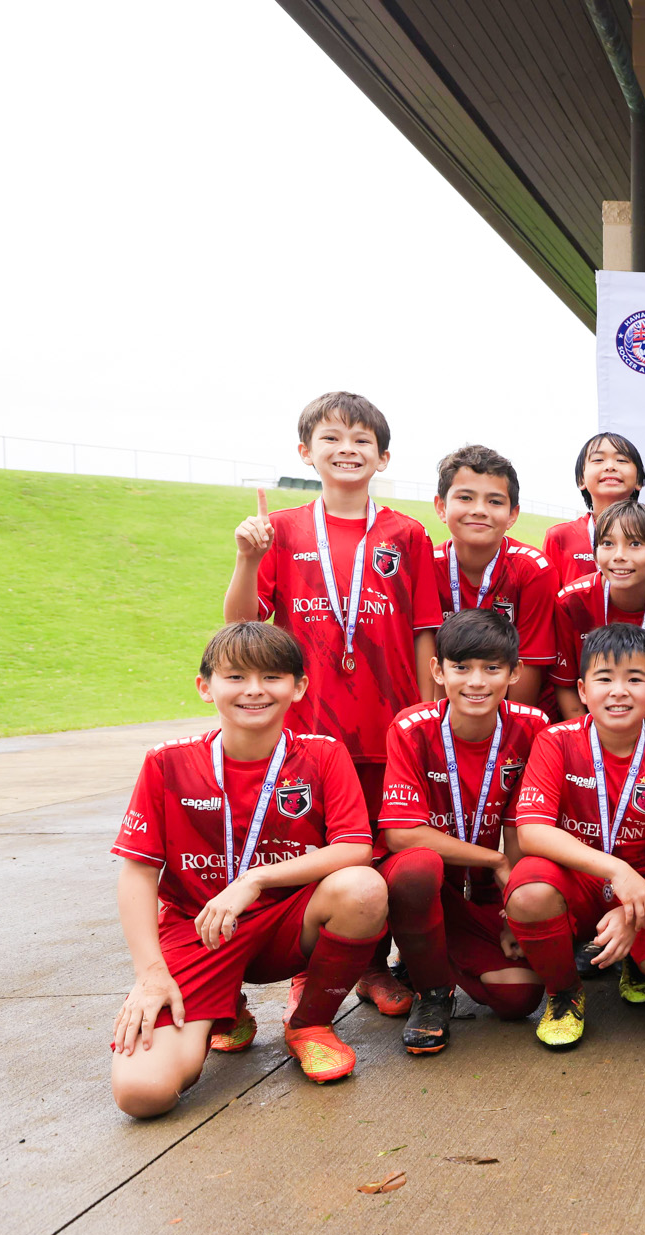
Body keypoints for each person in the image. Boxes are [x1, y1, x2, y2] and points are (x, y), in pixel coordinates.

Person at [109, 623, 388, 1113]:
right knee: (142, 1094)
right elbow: (136, 871)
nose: (254, 690)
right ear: (205, 687)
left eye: (272, 676)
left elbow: (355, 848)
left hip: (286, 925)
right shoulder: (167, 763)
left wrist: (254, 879)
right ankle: (227, 1010)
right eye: (235, 676)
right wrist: (150, 973)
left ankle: (310, 1022)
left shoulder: (323, 754)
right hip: (200, 932)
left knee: (362, 889)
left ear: (298, 686)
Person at [226, 390, 435, 1018]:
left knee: (388, 850)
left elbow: (424, 629)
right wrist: (247, 558)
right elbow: (241, 629)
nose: (347, 450)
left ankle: (374, 966)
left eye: (361, 440)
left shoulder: (407, 533)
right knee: (315, 846)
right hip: (310, 732)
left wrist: (424, 719)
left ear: (383, 456)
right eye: (332, 438)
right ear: (305, 451)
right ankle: (310, 965)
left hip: (389, 725)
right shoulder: (282, 531)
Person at [504, 623, 645, 1049]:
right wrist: (615, 869)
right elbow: (532, 830)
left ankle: (637, 959)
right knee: (528, 890)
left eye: (635, 679)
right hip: (580, 876)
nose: (619, 691)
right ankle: (565, 992)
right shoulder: (556, 741)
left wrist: (634, 910)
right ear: (583, 689)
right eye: (605, 679)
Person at [376, 609, 551, 1051]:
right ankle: (432, 992)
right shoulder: (411, 728)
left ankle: (430, 955)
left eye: (492, 668)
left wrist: (517, 908)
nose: (476, 682)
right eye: (461, 667)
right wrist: (494, 860)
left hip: (490, 892)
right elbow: (401, 834)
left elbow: (523, 823)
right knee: (417, 868)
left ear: (515, 672)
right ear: (438, 670)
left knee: (519, 996)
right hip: (432, 883)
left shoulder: (533, 727)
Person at [549, 501, 645, 737]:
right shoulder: (571, 603)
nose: (619, 556)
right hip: (587, 734)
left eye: (635, 544)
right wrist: (590, 746)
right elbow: (566, 687)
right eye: (607, 543)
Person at [429, 444, 558, 705]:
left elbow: (529, 662)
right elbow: (426, 656)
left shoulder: (533, 570)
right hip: (443, 709)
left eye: (495, 501)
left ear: (512, 515)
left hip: (511, 712)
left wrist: (510, 729)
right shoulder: (426, 565)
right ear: (441, 507)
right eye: (465, 498)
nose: (479, 509)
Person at [543, 433, 645, 585]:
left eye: (622, 460)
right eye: (598, 460)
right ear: (581, 480)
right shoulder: (559, 536)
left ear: (639, 480)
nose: (610, 466)